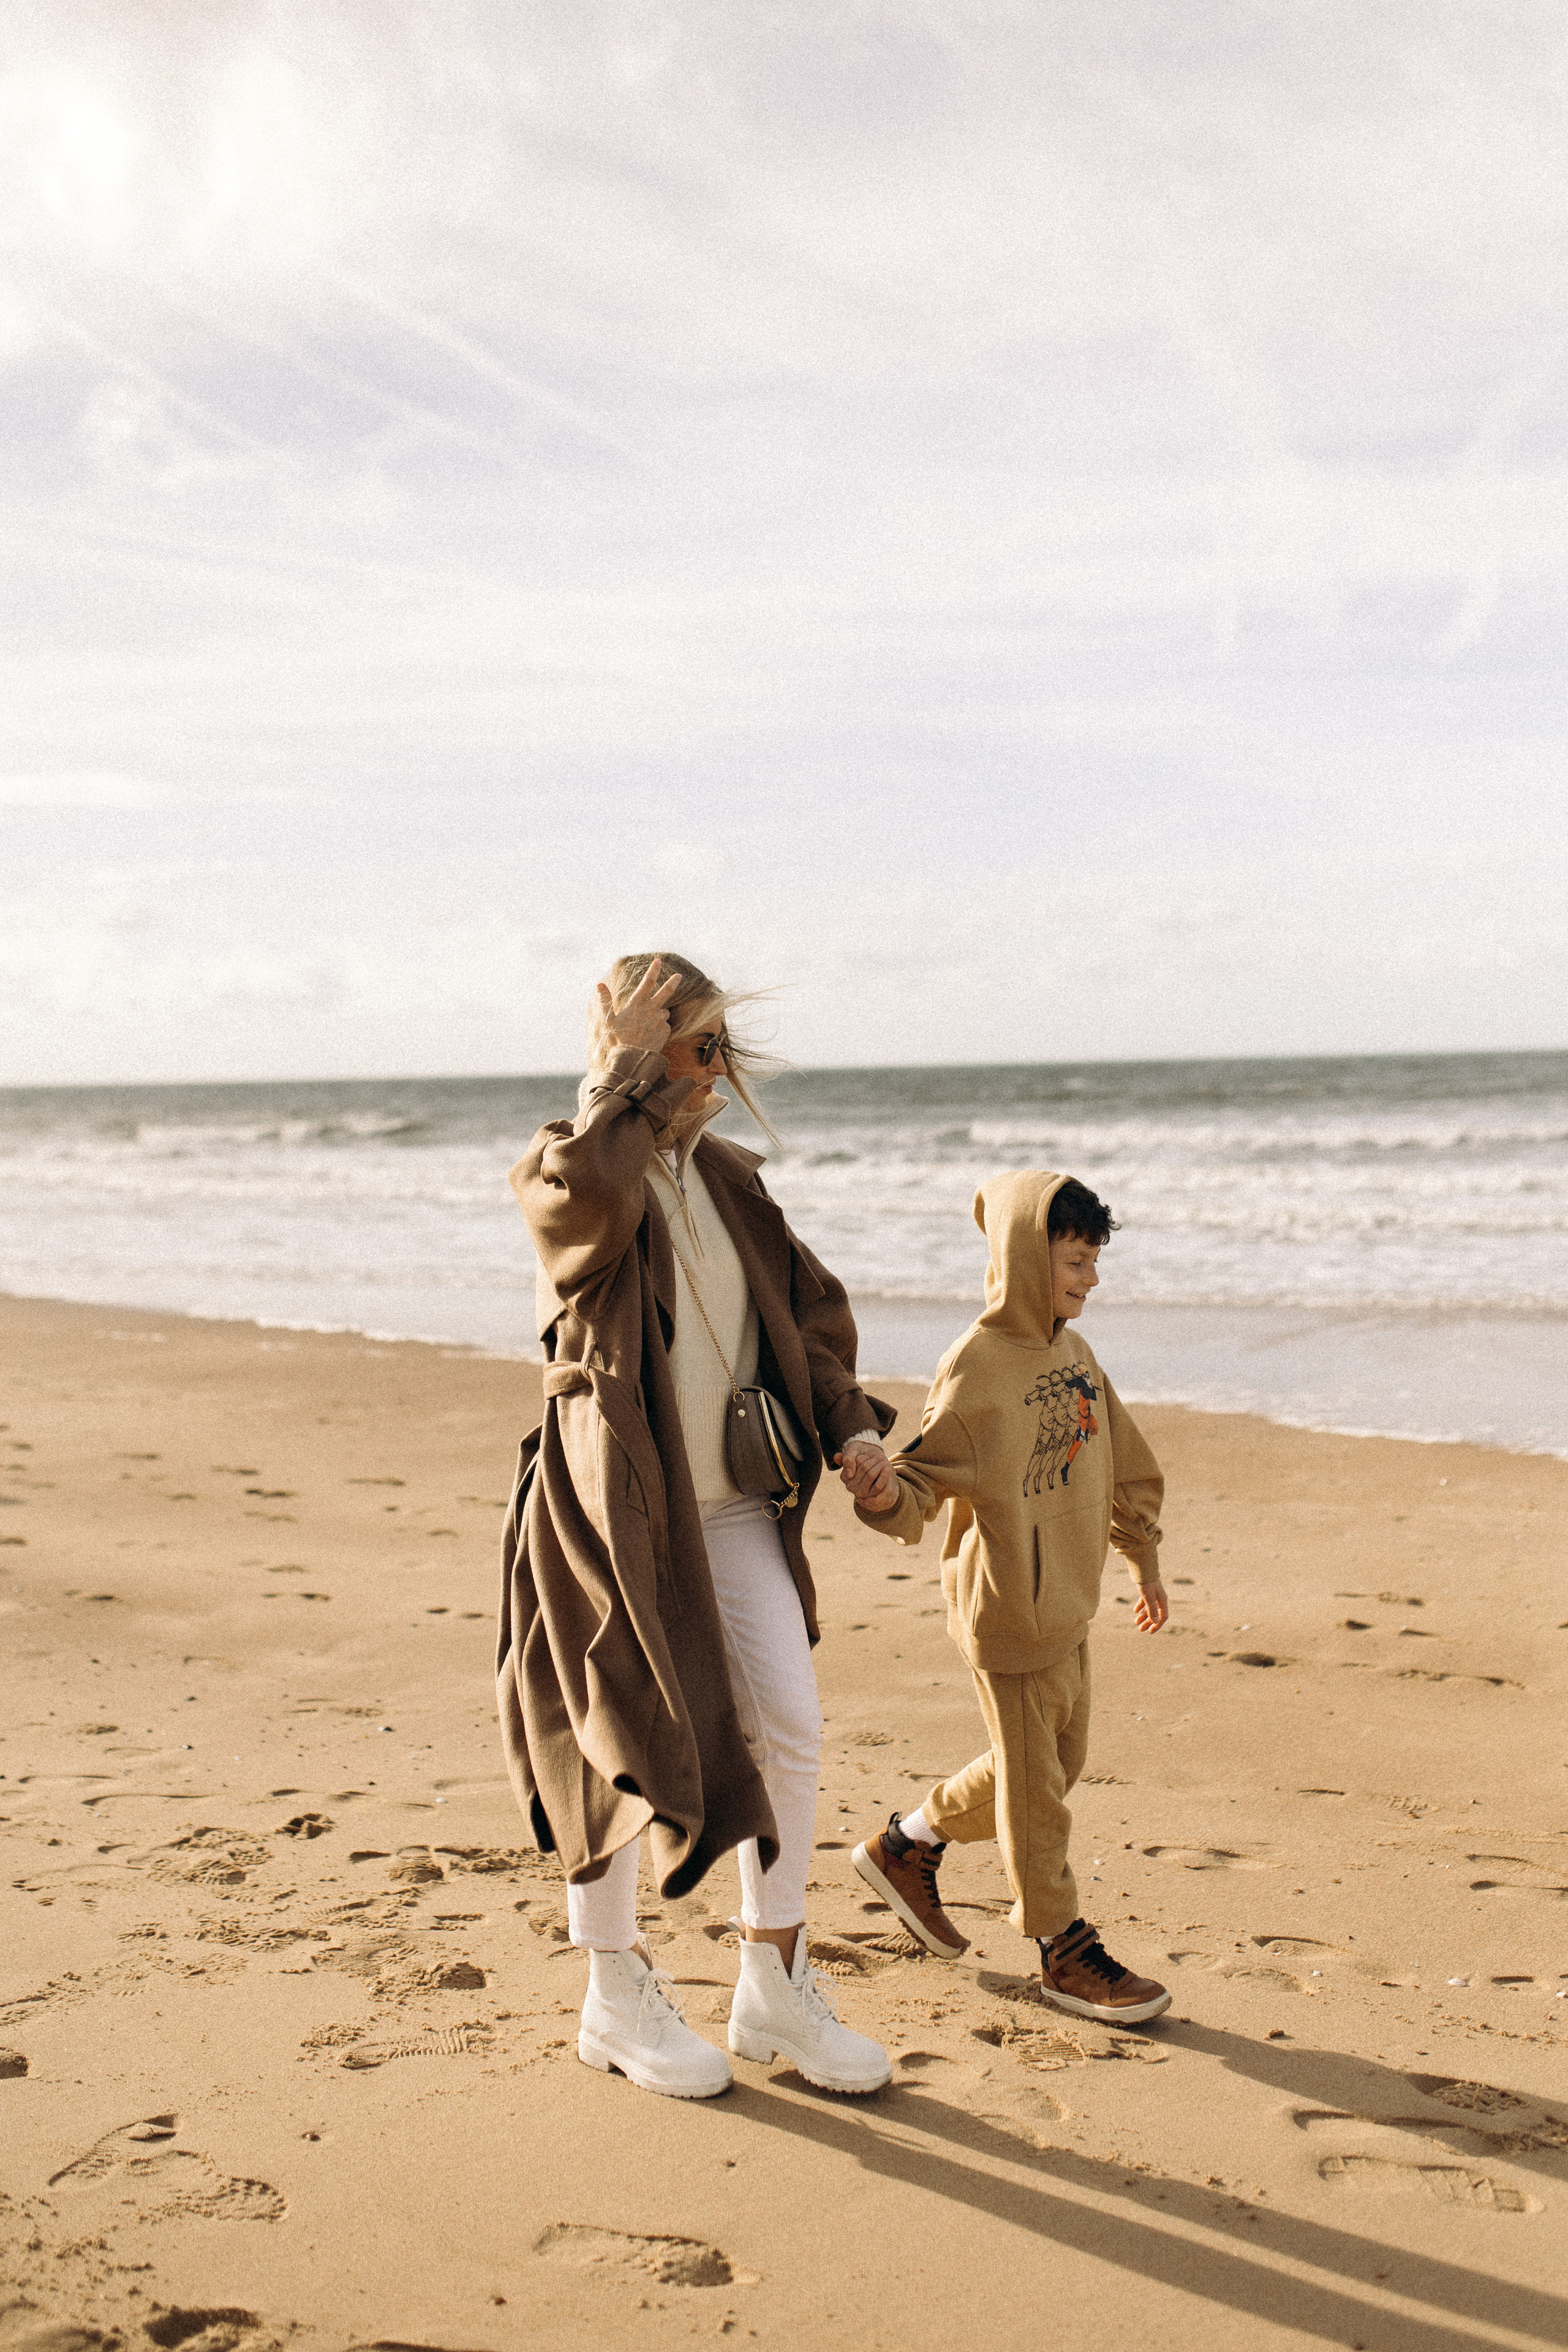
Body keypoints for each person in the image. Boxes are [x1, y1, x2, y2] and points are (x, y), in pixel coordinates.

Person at [499, 952, 899, 2098]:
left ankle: (774, 1980)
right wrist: (618, 1083)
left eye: (719, 1045)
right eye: (693, 1044)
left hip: (731, 1507)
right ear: (630, 1051)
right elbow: (586, 1211)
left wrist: (849, 1427)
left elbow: (805, 1319)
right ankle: (614, 1992)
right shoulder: (567, 1163)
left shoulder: (728, 1179)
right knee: (617, 1742)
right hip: (616, 1508)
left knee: (790, 1726)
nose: (714, 1068)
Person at [849, 1169, 1175, 2024]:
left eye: (1094, 1261)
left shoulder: (1076, 1355)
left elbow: (1128, 1460)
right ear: (1027, 1258)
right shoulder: (977, 1365)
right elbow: (922, 1478)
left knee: (1049, 1770)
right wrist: (883, 1495)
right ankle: (1062, 1950)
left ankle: (907, 1845)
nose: (1090, 1280)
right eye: (1074, 1262)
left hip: (1069, 1603)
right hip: (1007, 1610)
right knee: (1037, 1799)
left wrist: (1141, 1557)